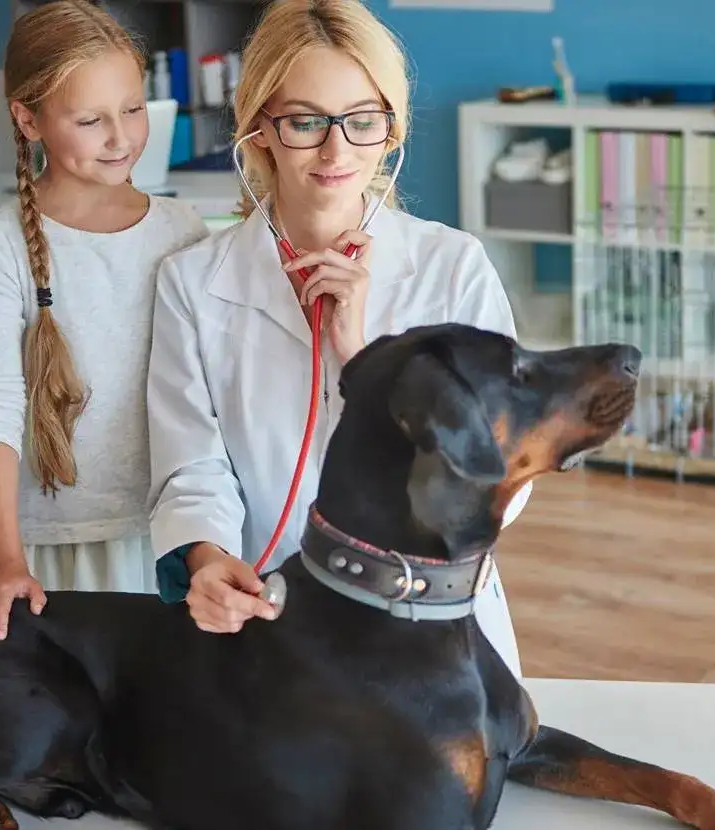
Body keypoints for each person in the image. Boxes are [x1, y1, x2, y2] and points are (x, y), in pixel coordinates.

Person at [145, 0, 530, 678]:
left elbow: (500, 468)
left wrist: (364, 359)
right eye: (305, 121)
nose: (336, 150)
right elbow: (192, 465)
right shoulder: (193, 283)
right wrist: (206, 559)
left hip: (429, 619)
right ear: (258, 127)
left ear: (391, 128)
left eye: (362, 120)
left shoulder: (452, 269)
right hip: (271, 616)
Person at [0, 0, 209, 644]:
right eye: (90, 120)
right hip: (51, 551)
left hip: (170, 536)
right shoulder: (2, 243)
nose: (121, 138)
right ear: (27, 119)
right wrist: (6, 563)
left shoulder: (183, 230)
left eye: (134, 109)